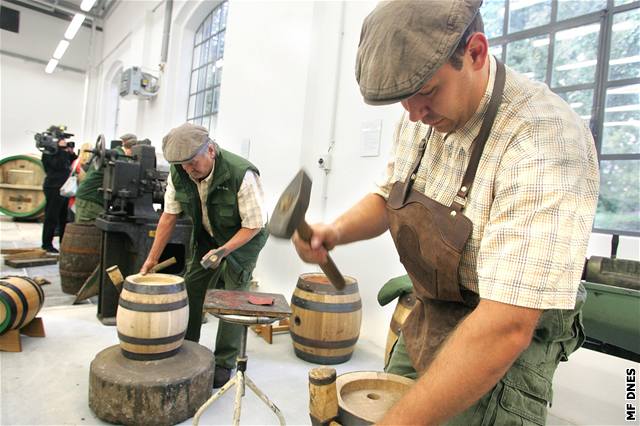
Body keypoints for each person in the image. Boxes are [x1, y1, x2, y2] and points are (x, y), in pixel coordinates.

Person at [291, 1, 600, 424]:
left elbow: (506, 325)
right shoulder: (422, 116)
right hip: (433, 310)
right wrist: (334, 232)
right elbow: (388, 195)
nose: (415, 114)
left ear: (475, 52)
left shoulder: (544, 138)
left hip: (505, 333)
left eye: (427, 93)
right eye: (404, 101)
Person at [140, 123, 268, 388]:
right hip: (208, 236)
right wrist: (152, 258)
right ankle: (187, 346)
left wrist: (223, 252)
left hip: (244, 240)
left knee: (234, 298)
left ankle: (224, 361)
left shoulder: (240, 174)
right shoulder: (180, 173)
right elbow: (168, 216)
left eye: (191, 162)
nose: (187, 170)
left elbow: (254, 224)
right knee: (192, 286)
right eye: (181, 165)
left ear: (210, 150)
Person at [74, 134, 138, 223]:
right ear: (133, 149)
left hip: (88, 198)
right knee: (88, 230)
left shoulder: (116, 154)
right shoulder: (120, 158)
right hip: (91, 199)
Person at [41, 125, 77, 253]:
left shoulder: (61, 152)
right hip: (54, 186)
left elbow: (69, 163)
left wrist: (70, 153)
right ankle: (46, 244)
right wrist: (62, 149)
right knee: (51, 216)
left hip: (64, 187)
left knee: (64, 217)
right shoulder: (49, 152)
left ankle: (63, 242)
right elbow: (58, 166)